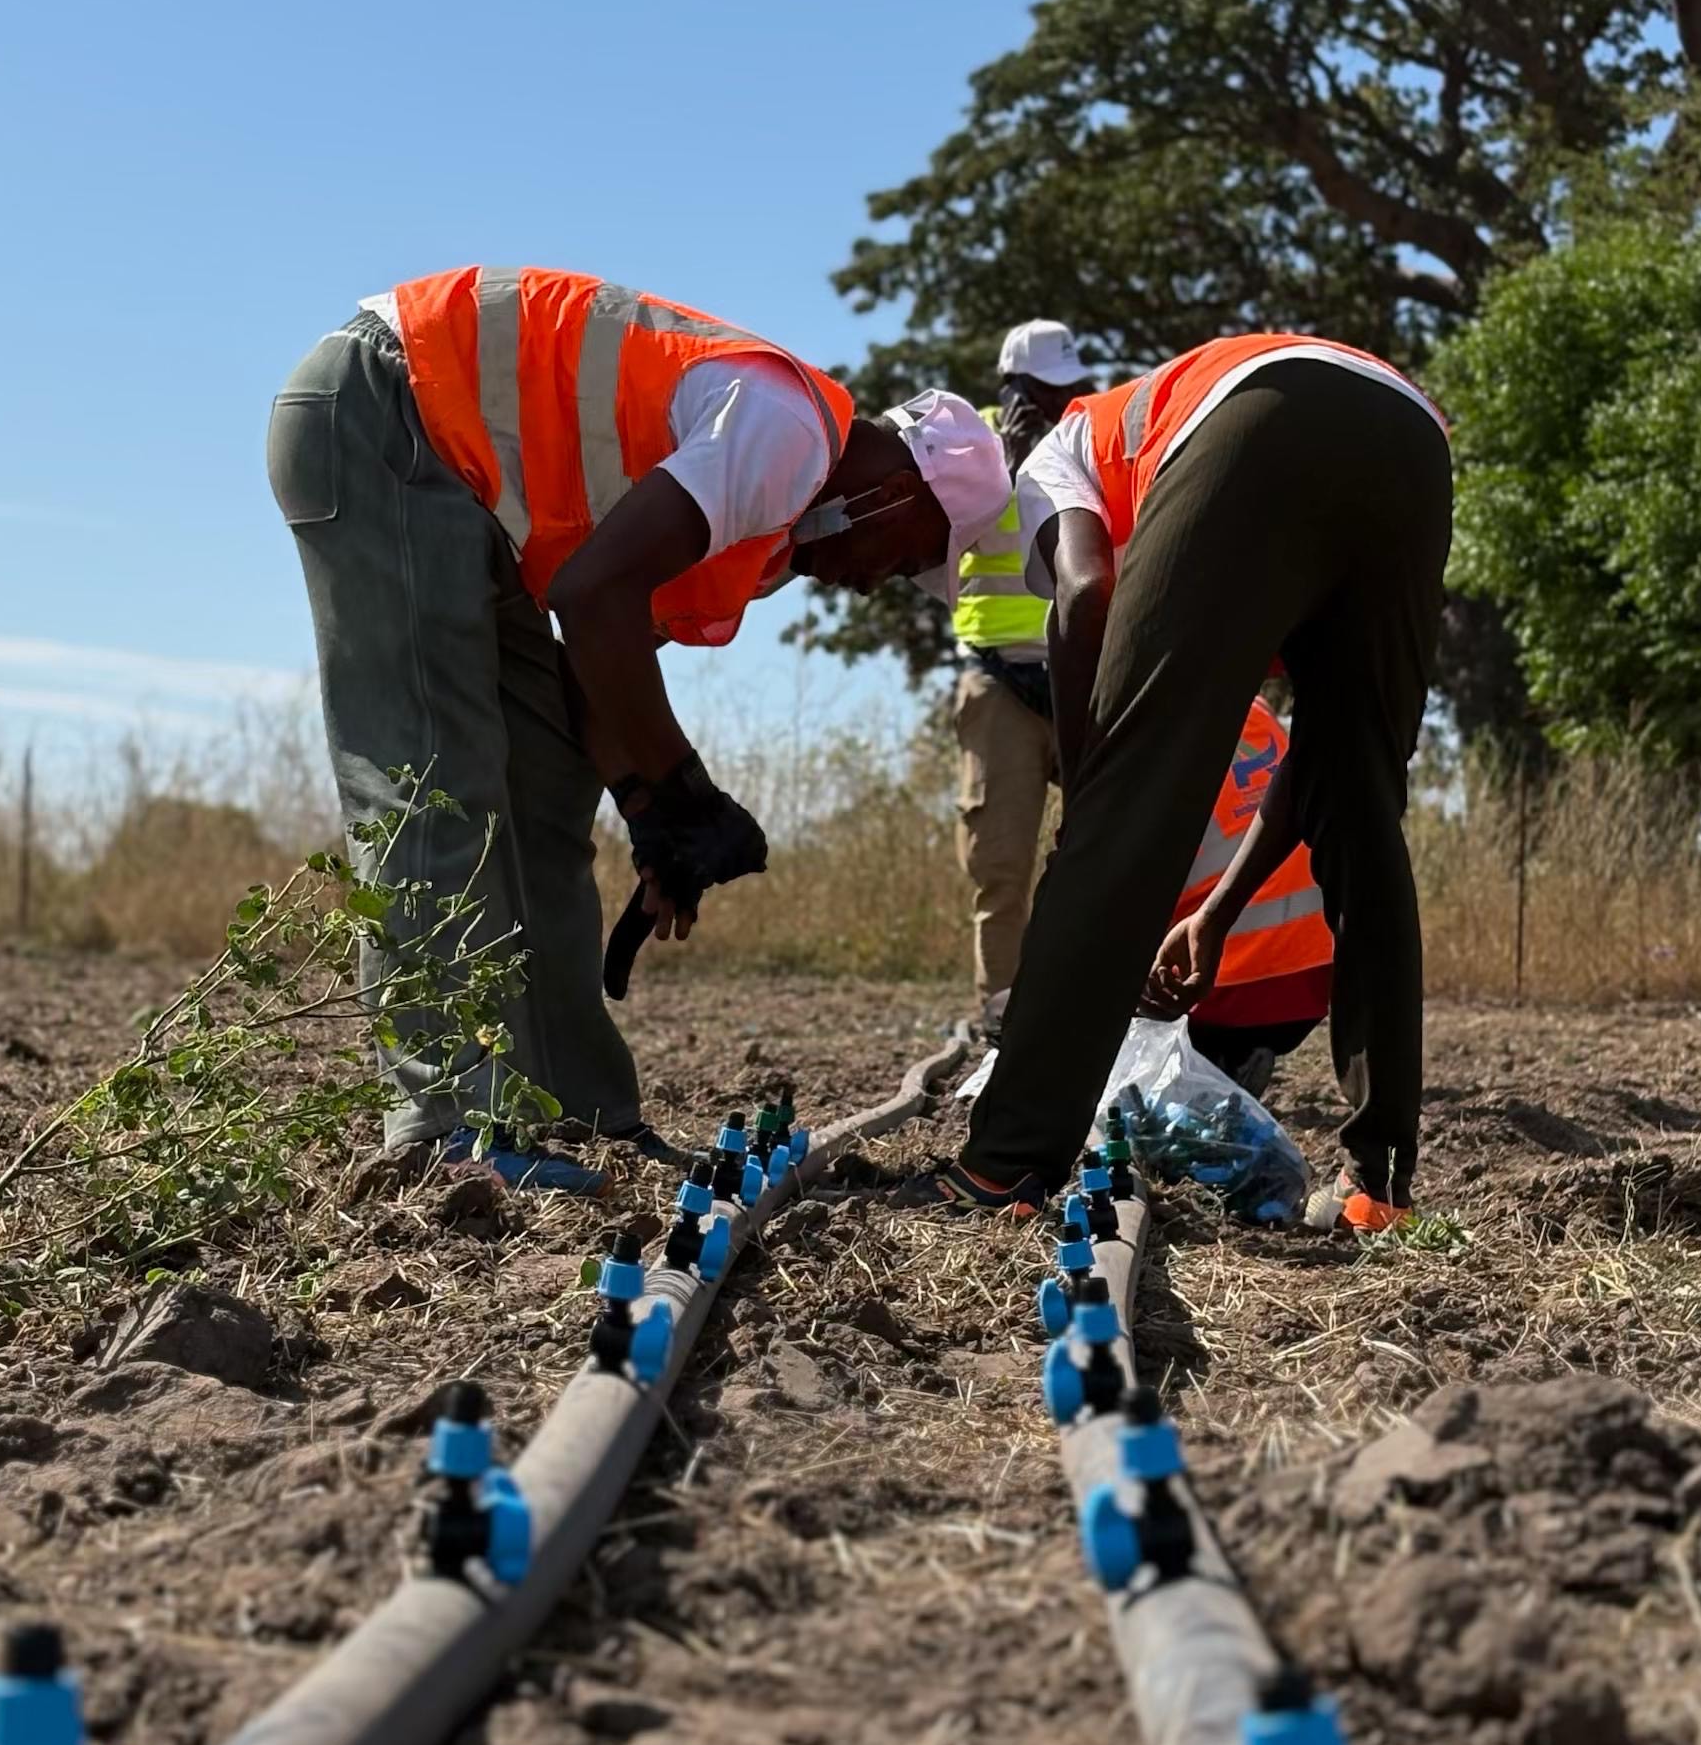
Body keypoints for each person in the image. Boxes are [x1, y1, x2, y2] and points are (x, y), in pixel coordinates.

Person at [269, 264, 1008, 1191]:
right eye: (905, 563)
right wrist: (686, 789)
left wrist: (652, 813)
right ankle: (446, 1131)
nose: (875, 583)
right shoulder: (782, 437)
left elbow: (604, 658)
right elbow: (590, 595)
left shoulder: (772, 533)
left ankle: (574, 1111)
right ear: (900, 497)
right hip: (390, 409)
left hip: (460, 480)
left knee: (546, 791)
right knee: (432, 781)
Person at [895, 331, 1451, 1233]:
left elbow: (1082, 593)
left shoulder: (1058, 452)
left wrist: (1089, 786)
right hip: (1412, 435)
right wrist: (1217, 913)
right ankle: (1379, 1188)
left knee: (1122, 814)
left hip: (1259, 417)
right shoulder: (1256, 544)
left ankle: (1003, 1166)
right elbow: (1312, 765)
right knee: (1363, 811)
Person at [951, 321, 1088, 1031]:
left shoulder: (1087, 441)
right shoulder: (966, 443)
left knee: (1102, 851)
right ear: (1010, 388)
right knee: (999, 861)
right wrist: (1005, 462)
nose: (1055, 404)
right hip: (1000, 682)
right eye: (1039, 392)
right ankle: (1002, 1015)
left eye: (1066, 391)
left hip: (1081, 679)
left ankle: (1087, 1002)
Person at [1143, 692, 1333, 1095]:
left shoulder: (1153, 731)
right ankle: (1238, 1053)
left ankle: (1209, 1060)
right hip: (1315, 984)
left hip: (1215, 988)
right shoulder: (1259, 708)